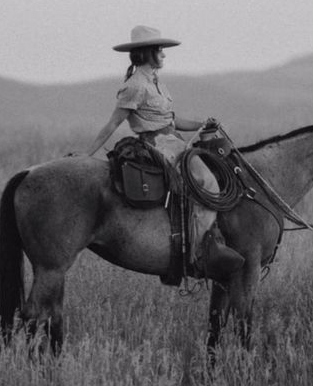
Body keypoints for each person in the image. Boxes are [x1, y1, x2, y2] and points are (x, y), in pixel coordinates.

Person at [84, 25, 244, 280]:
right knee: (207, 183)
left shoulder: (157, 82)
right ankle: (197, 252)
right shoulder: (135, 85)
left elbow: (171, 119)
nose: (164, 55)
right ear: (148, 53)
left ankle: (209, 237)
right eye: (160, 50)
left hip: (172, 139)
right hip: (157, 145)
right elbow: (113, 123)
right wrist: (87, 154)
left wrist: (202, 123)